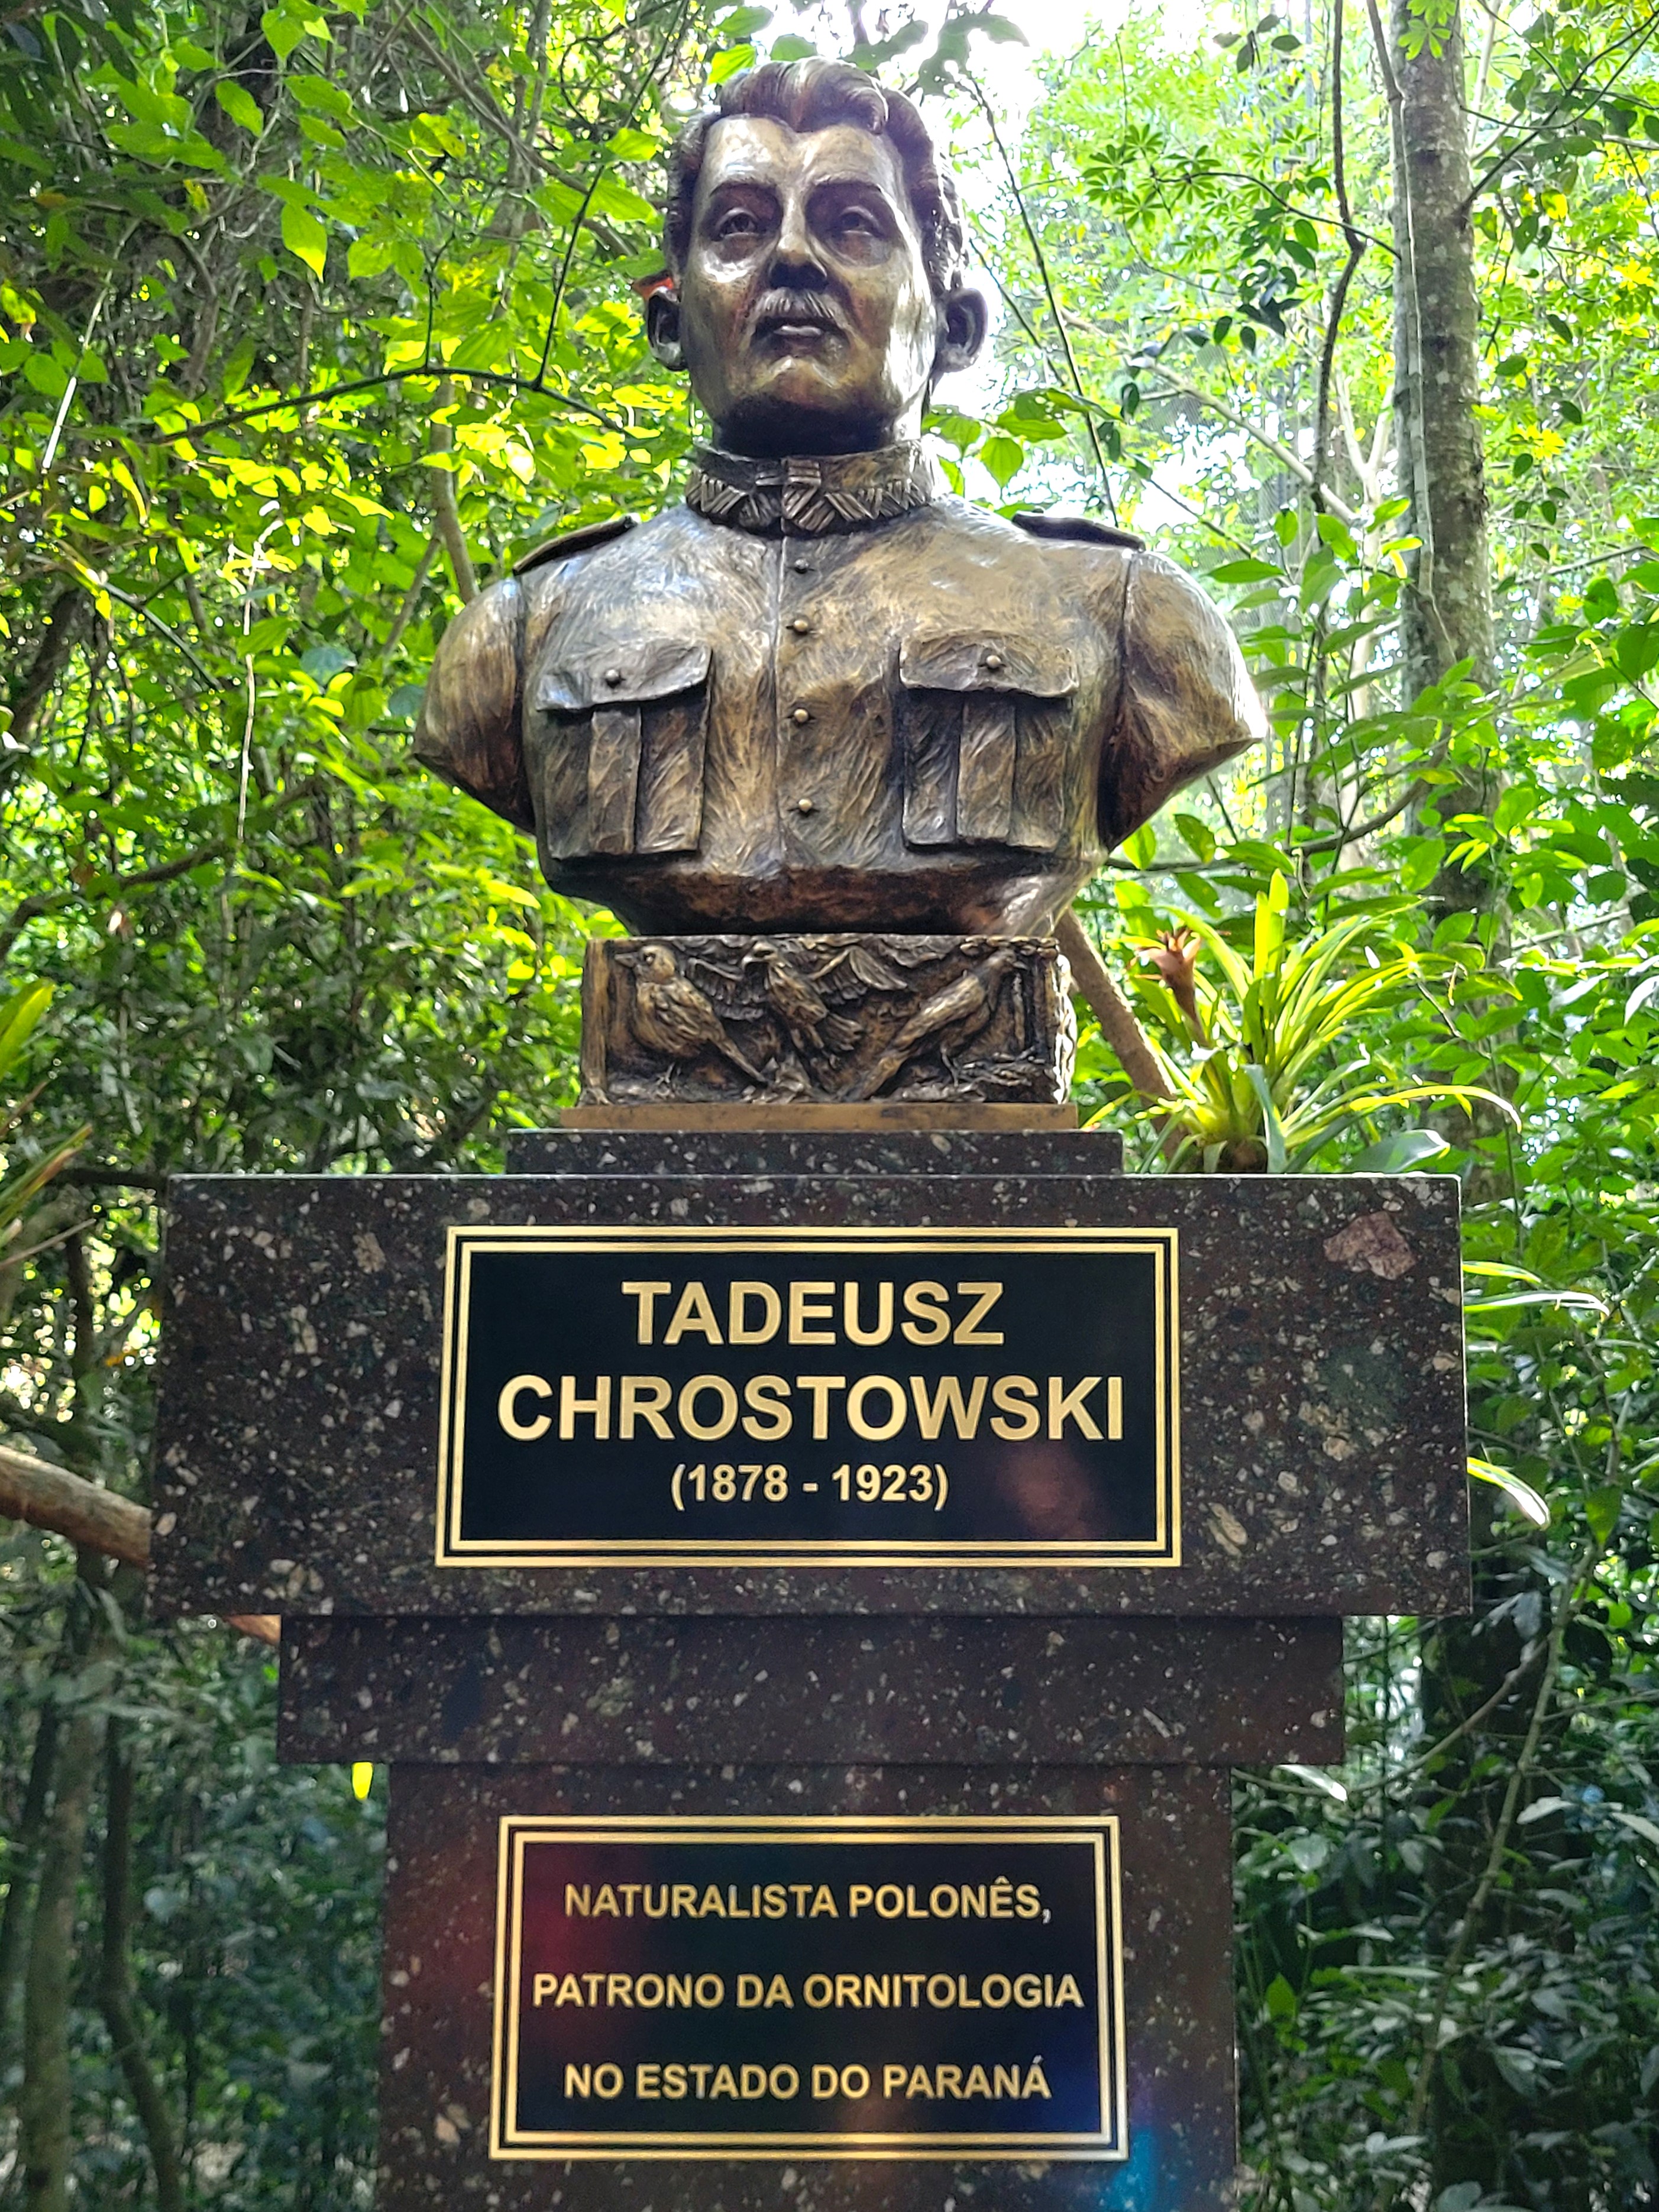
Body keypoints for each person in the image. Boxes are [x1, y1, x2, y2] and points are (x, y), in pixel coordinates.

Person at [414, 58, 1265, 936]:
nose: (789, 257)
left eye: (853, 226)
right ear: (668, 324)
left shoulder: (1125, 614)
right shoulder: (524, 629)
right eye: (739, 228)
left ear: (955, 326)